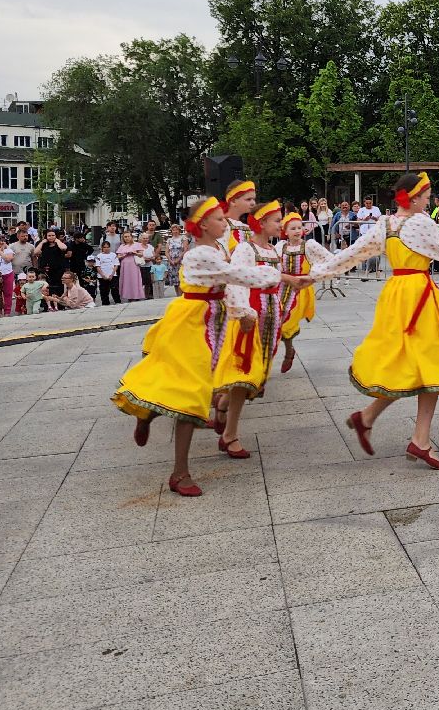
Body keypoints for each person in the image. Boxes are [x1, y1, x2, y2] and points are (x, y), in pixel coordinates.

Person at [113, 197, 302, 498]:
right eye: (218, 219)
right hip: (192, 325)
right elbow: (240, 276)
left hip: (213, 323)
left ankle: (149, 414)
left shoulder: (218, 248)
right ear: (202, 225)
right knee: (193, 394)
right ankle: (180, 473)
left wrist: (244, 312)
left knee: (195, 386)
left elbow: (229, 287)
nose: (224, 223)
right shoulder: (201, 254)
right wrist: (282, 275)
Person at [306, 172, 439, 469]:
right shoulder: (422, 223)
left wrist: (315, 274)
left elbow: (352, 254)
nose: (428, 202)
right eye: (426, 197)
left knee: (408, 364)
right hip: (421, 298)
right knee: (432, 364)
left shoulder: (384, 224)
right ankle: (417, 440)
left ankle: (373, 420)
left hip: (395, 296)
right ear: (413, 198)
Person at [209, 201, 286, 460]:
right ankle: (230, 435)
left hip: (271, 316)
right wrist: (243, 312)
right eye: (276, 220)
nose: (281, 224)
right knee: (245, 376)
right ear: (261, 222)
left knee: (257, 375)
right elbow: (236, 281)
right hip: (251, 316)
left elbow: (277, 282)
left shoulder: (275, 250)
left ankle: (222, 404)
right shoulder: (245, 248)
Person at [274, 210, 334, 374]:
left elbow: (330, 260)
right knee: (277, 322)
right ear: (285, 231)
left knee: (285, 322)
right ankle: (288, 351)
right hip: (282, 288)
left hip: (300, 290)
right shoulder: (280, 247)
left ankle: (285, 354)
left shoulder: (309, 246)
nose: (297, 231)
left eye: (299, 227)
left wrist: (313, 276)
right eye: (292, 228)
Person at [116, 232, 144, 302]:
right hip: (125, 266)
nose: (127, 238)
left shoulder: (136, 244)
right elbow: (118, 256)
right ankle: (128, 296)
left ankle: (136, 295)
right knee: (127, 281)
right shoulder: (122, 246)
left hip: (134, 265)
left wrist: (134, 253)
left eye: (128, 236)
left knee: (134, 280)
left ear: (131, 237)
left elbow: (141, 254)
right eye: (125, 237)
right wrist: (124, 255)